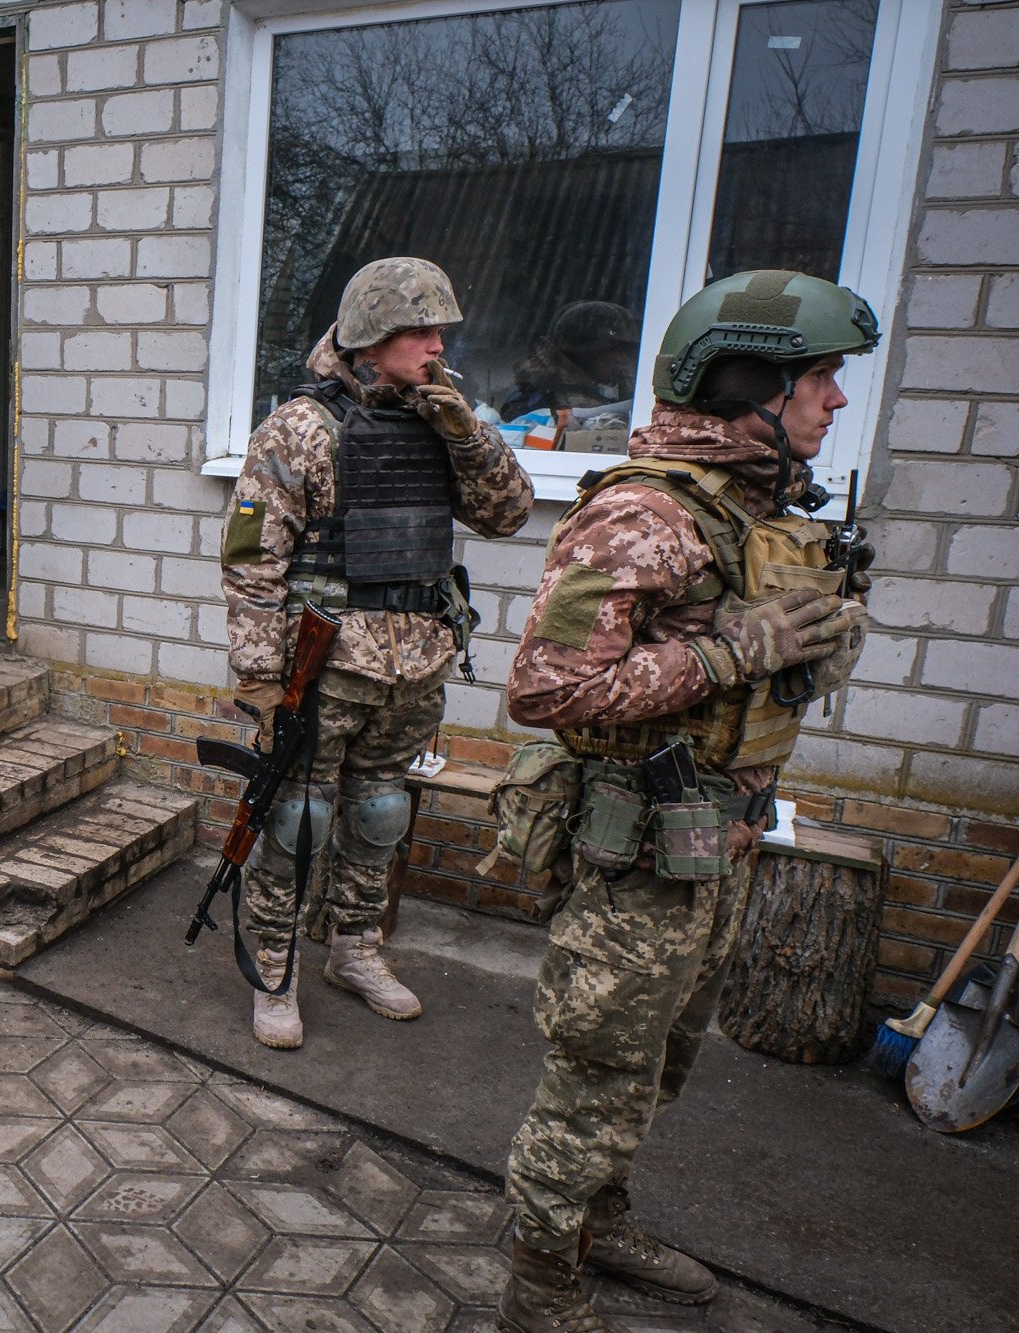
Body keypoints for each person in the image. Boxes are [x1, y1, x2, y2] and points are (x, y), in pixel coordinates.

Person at [497, 269, 877, 1331]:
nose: (834, 402)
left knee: (658, 1062)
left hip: (717, 840)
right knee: (595, 1071)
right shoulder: (641, 514)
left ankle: (595, 1219)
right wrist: (725, 652)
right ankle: (537, 1281)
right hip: (638, 848)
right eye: (818, 380)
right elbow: (543, 688)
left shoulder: (754, 511)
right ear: (748, 384)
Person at [220, 257, 534, 1048]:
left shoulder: (445, 416)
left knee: (380, 812)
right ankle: (277, 967)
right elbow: (252, 561)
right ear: (372, 336)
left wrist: (465, 431)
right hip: (324, 669)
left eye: (439, 331)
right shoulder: (299, 427)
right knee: (297, 819)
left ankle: (356, 949)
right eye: (421, 331)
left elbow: (508, 514)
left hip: (417, 661)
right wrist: (259, 677)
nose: (436, 345)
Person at [497, 300, 640, 422]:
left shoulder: (609, 387)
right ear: (587, 353)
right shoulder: (540, 401)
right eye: (615, 350)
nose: (624, 359)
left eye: (627, 351)